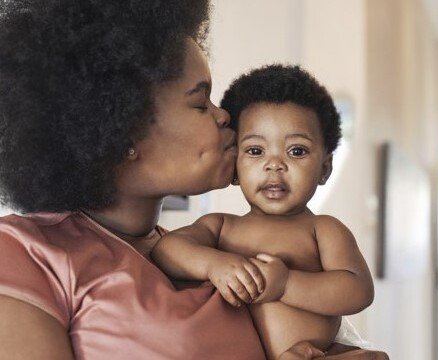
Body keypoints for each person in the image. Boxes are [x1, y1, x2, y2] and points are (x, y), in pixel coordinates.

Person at [0, 0, 388, 359]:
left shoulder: (206, 253)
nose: (224, 117)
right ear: (124, 130)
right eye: (201, 103)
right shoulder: (26, 253)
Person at [152, 65, 374, 359]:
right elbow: (167, 249)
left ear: (324, 168)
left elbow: (357, 290)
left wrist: (286, 284)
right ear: (234, 166)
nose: (274, 164)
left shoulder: (323, 230)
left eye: (296, 151)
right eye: (256, 151)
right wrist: (213, 265)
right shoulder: (221, 227)